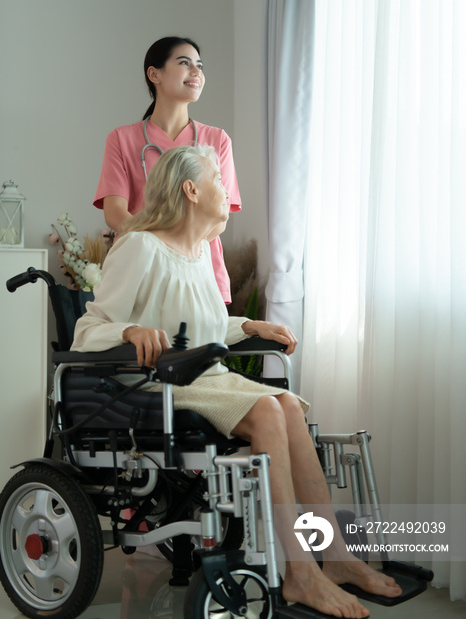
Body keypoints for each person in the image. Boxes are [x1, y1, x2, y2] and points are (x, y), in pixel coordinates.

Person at [73, 145, 401, 618]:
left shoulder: (201, 250)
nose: (227, 193)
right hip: (161, 385)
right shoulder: (140, 246)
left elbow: (201, 327)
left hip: (206, 377)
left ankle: (337, 558)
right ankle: (299, 574)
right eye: (219, 182)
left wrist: (248, 326)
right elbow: (88, 329)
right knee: (270, 408)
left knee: (286, 403)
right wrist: (127, 329)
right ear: (190, 189)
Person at [93, 36, 241, 304]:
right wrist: (160, 251)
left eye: (200, 65)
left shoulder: (217, 140)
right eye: (185, 63)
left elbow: (219, 218)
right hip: (140, 267)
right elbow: (115, 213)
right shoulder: (121, 139)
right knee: (142, 344)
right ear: (154, 74)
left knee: (200, 344)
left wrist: (177, 254)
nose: (196, 72)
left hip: (199, 271)